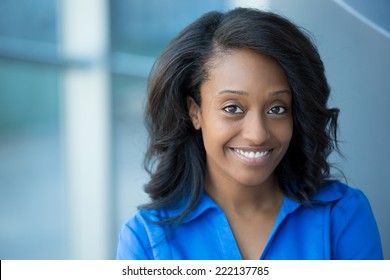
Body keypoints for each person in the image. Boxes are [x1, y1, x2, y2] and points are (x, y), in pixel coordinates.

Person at [116, 7, 383, 260]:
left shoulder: (342, 216)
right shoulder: (146, 241)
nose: (257, 134)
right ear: (195, 111)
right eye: (233, 108)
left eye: (277, 108)